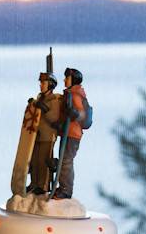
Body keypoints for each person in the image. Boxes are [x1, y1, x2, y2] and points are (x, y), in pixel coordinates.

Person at [52, 67, 86, 200]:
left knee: (66, 161)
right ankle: (62, 187)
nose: (64, 80)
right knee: (63, 159)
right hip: (67, 132)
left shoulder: (76, 95)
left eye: (67, 78)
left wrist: (75, 114)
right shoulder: (69, 94)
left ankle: (66, 190)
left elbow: (81, 114)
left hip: (72, 134)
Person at [28, 72, 61, 195]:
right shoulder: (40, 98)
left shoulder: (54, 100)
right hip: (36, 135)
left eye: (43, 83)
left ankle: (43, 185)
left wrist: (43, 108)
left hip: (47, 136)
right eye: (41, 83)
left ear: (50, 85)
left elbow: (53, 118)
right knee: (35, 161)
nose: (41, 85)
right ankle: (34, 183)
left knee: (43, 162)